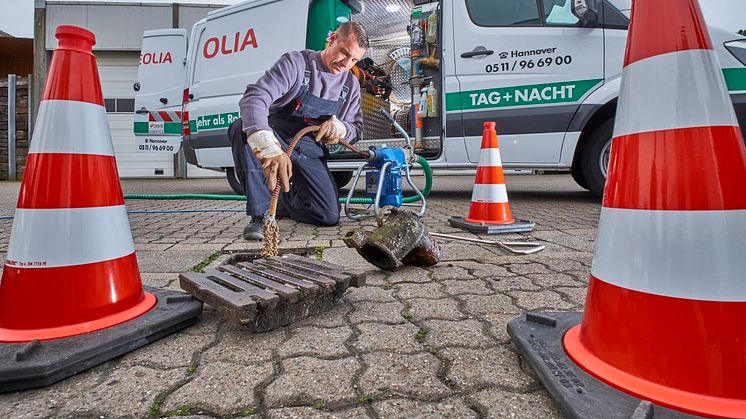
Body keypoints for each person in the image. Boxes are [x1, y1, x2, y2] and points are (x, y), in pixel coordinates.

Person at [230, 22, 368, 240]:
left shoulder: (350, 84)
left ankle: (282, 202)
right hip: (279, 137)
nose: (346, 64)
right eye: (344, 53)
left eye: (354, 60)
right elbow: (255, 98)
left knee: (328, 215)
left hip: (309, 148)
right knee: (241, 128)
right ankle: (262, 215)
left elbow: (356, 128)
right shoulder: (297, 63)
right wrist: (268, 147)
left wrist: (339, 128)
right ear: (332, 39)